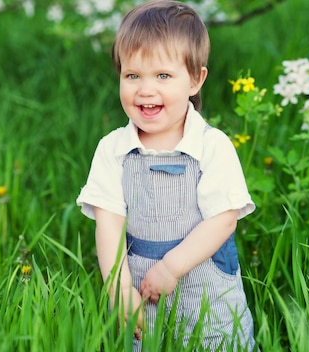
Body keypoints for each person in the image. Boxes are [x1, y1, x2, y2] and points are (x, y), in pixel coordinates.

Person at [76, 1, 258, 350]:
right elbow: (109, 224)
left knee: (217, 341)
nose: (145, 89)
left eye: (162, 76)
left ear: (194, 80)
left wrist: (172, 267)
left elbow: (223, 220)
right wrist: (119, 289)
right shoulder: (113, 149)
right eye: (133, 76)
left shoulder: (211, 146)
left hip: (207, 286)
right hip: (142, 288)